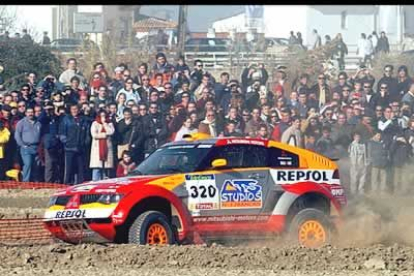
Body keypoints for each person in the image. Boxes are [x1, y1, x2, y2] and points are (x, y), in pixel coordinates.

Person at [59, 104, 91, 185]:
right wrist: (67, 142)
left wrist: (85, 142)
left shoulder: (83, 120)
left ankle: (80, 184)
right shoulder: (66, 119)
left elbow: (87, 133)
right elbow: (62, 133)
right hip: (69, 148)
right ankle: (67, 184)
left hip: (81, 148)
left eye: (76, 109)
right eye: (72, 109)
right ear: (70, 110)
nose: (74, 111)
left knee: (81, 169)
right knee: (69, 169)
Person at [14, 107, 41, 182]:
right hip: (26, 147)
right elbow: (17, 135)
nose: (30, 114)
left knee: (36, 166)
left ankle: (35, 182)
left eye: (32, 112)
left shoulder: (38, 123)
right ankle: (26, 182)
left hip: (36, 147)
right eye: (28, 112)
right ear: (26, 113)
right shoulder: (21, 123)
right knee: (28, 164)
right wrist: (22, 145)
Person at [90, 110, 115, 181]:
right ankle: (95, 182)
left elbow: (111, 132)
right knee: (97, 168)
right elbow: (94, 135)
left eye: (104, 116)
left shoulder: (109, 123)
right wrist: (104, 135)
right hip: (97, 149)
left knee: (105, 168)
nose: (102, 117)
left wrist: (105, 124)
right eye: (101, 116)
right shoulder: (95, 123)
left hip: (107, 148)